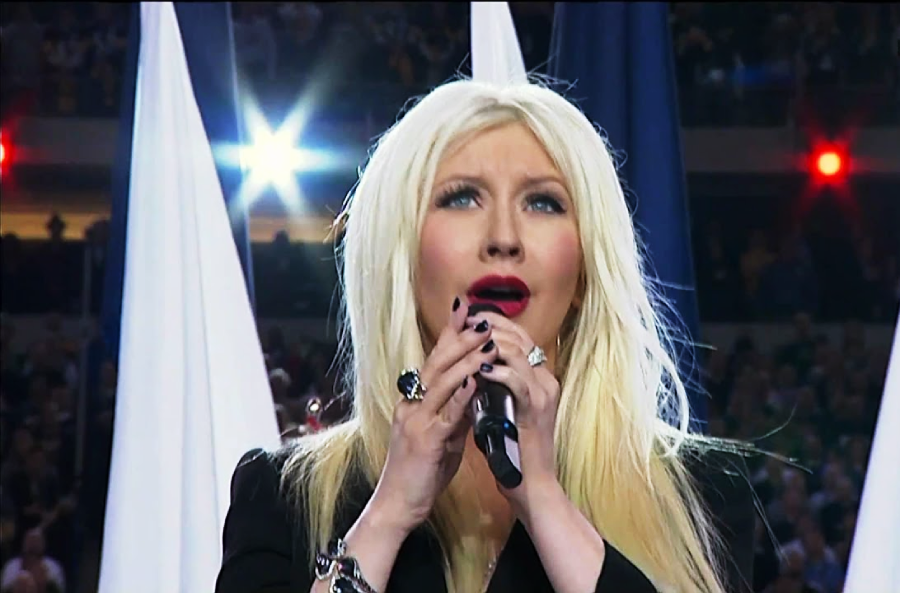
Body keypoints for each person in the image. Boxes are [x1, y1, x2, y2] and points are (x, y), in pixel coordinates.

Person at [214, 72, 756, 593]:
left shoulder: (701, 492)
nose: (504, 238)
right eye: (462, 197)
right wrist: (387, 514)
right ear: (400, 250)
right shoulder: (284, 496)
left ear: (587, 266)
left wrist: (543, 498)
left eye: (543, 202)